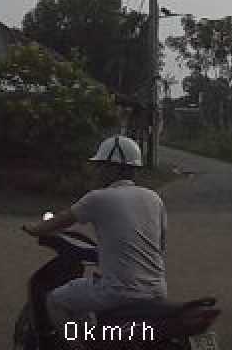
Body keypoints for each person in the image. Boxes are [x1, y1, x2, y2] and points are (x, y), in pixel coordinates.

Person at [20, 135, 168, 338]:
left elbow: (61, 220)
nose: (97, 171)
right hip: (157, 291)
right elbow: (159, 246)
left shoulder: (98, 198)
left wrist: (33, 228)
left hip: (119, 292)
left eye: (101, 166)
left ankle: (80, 344)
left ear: (113, 169)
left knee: (55, 300)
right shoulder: (154, 198)